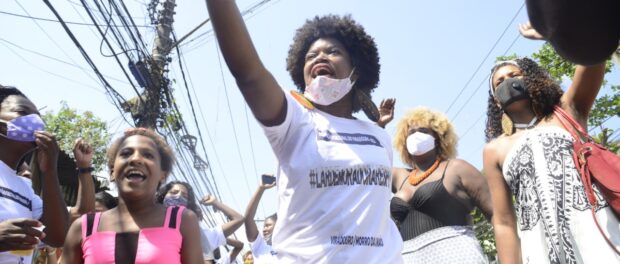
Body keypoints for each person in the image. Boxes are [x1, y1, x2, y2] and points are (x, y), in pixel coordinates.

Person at [206, 1, 403, 262]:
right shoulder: (293, 119)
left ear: (356, 70)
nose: (320, 57)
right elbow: (248, 74)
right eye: (311, 56)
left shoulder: (379, 136)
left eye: (333, 52)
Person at [483, 25, 619, 263]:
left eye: (514, 75)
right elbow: (504, 222)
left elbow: (594, 53)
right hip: (539, 248)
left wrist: (558, 34)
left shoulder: (567, 110)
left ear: (532, 78)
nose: (507, 82)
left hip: (597, 232)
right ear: (495, 100)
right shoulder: (495, 150)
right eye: (499, 82)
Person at [61, 128, 204, 263]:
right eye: (126, 153)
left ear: (163, 174)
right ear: (112, 172)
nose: (135, 159)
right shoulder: (83, 227)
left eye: (148, 155)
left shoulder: (183, 221)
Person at [389, 106, 492, 263]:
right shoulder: (399, 177)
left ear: (438, 137)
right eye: (411, 132)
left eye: (423, 131)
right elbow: (367, 169)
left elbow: (500, 217)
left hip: (456, 256)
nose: (416, 135)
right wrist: (379, 125)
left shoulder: (457, 168)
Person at [0, 85, 69, 264]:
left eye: (39, 116)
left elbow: (57, 236)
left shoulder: (25, 187)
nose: (35, 121)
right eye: (22, 112)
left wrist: (49, 171)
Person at [156, 181, 245, 263]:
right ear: (163, 196)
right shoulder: (148, 224)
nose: (178, 196)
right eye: (173, 193)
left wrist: (215, 203)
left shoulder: (203, 235)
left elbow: (238, 219)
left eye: (185, 196)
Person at [244, 177, 277, 263]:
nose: (264, 229)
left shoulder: (290, 243)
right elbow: (248, 218)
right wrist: (261, 189)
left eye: (268, 225)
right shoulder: (259, 245)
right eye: (264, 226)